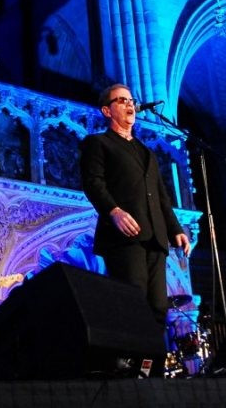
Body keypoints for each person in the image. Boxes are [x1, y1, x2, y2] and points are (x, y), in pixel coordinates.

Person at [80, 83, 191, 326]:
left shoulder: (145, 152)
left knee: (159, 308)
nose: (129, 104)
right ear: (106, 111)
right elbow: (93, 183)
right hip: (125, 237)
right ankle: (132, 362)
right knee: (133, 302)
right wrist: (114, 211)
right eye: (121, 100)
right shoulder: (98, 143)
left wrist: (175, 229)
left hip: (155, 237)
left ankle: (153, 364)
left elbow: (160, 195)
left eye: (130, 100)